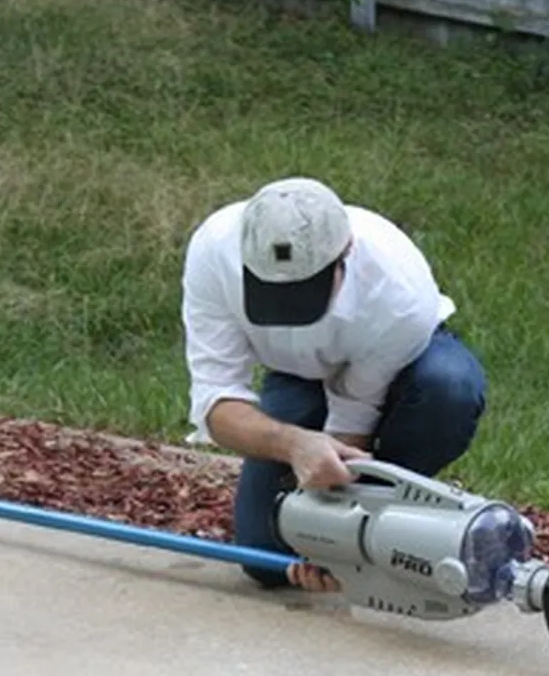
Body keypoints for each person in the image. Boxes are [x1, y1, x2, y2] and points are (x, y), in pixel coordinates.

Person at [180, 177, 488, 593]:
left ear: (346, 253)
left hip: (404, 365)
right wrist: (295, 446)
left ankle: (393, 516)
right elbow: (216, 404)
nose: (287, 308)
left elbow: (353, 419)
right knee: (265, 560)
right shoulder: (214, 249)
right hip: (296, 376)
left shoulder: (397, 291)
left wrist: (334, 532)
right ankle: (364, 531)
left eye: (303, 292)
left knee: (449, 388)